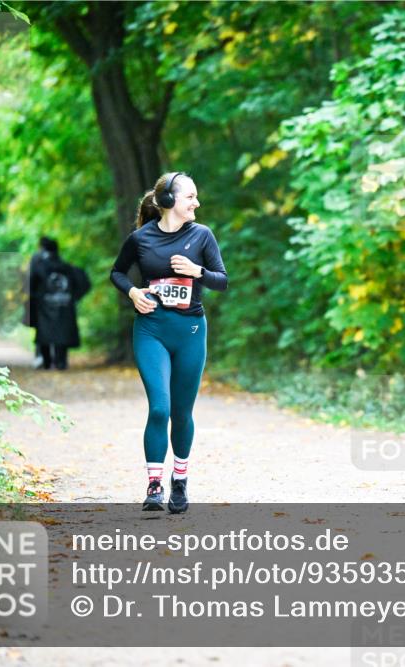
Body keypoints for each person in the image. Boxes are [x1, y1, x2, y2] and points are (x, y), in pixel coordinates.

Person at [110, 172, 228, 514]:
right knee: (160, 407)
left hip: (191, 332)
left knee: (181, 411)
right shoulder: (140, 238)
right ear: (168, 202)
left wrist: (197, 272)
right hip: (152, 331)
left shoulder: (202, 236)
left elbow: (221, 281)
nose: (197, 203)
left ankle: (180, 479)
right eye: (190, 197)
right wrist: (133, 292)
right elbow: (117, 272)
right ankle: (154, 484)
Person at [29, 237, 90, 370]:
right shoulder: (67, 267)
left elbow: (30, 287)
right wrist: (73, 297)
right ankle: (61, 362)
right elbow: (84, 282)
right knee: (63, 334)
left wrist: (37, 299)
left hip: (45, 307)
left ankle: (46, 363)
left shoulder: (39, 268)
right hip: (65, 306)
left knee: (45, 335)